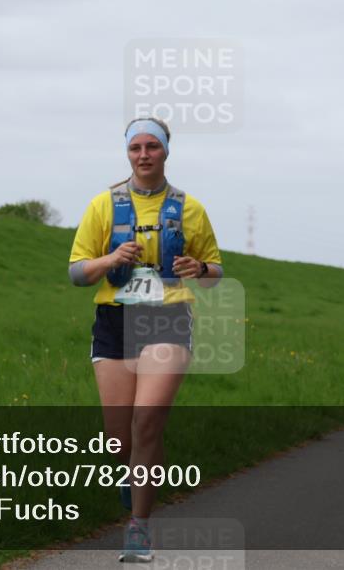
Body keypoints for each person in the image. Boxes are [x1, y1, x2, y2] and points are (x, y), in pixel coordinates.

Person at [68, 117, 223, 562]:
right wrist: (111, 257)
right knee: (118, 438)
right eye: (135, 147)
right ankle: (133, 473)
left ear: (166, 151)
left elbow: (216, 270)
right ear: (127, 153)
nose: (143, 154)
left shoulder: (189, 208)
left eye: (151, 146)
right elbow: (76, 272)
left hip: (167, 317)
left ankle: (139, 526)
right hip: (114, 320)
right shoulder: (103, 205)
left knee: (147, 419)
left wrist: (202, 270)